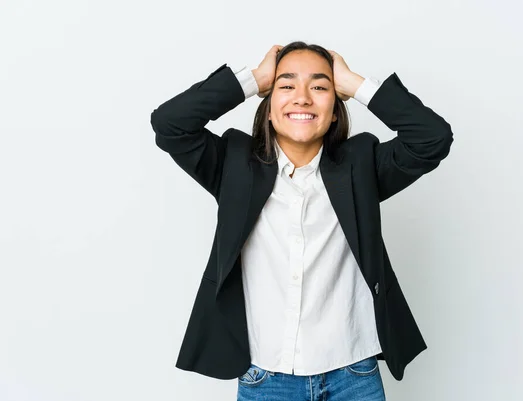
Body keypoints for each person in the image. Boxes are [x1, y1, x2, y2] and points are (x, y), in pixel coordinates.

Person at [150, 41, 453, 401]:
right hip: (265, 378)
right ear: (268, 106)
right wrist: (254, 79)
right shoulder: (234, 165)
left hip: (353, 374)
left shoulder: (361, 167)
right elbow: (170, 125)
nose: (303, 97)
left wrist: (355, 84)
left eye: (320, 87)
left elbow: (432, 138)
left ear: (336, 110)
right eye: (287, 85)